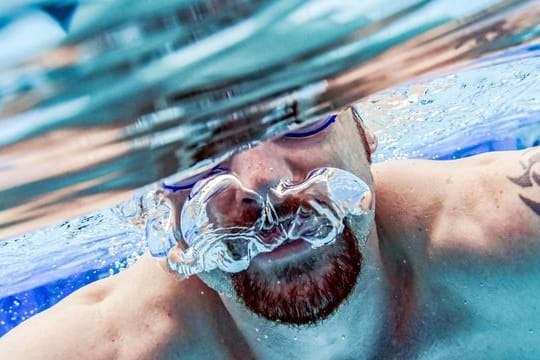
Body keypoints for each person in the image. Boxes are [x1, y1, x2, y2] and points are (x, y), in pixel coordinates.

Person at [0, 106, 539, 359]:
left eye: (298, 116)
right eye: (194, 154)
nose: (264, 184)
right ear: (154, 205)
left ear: (364, 130)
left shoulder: (515, 237)